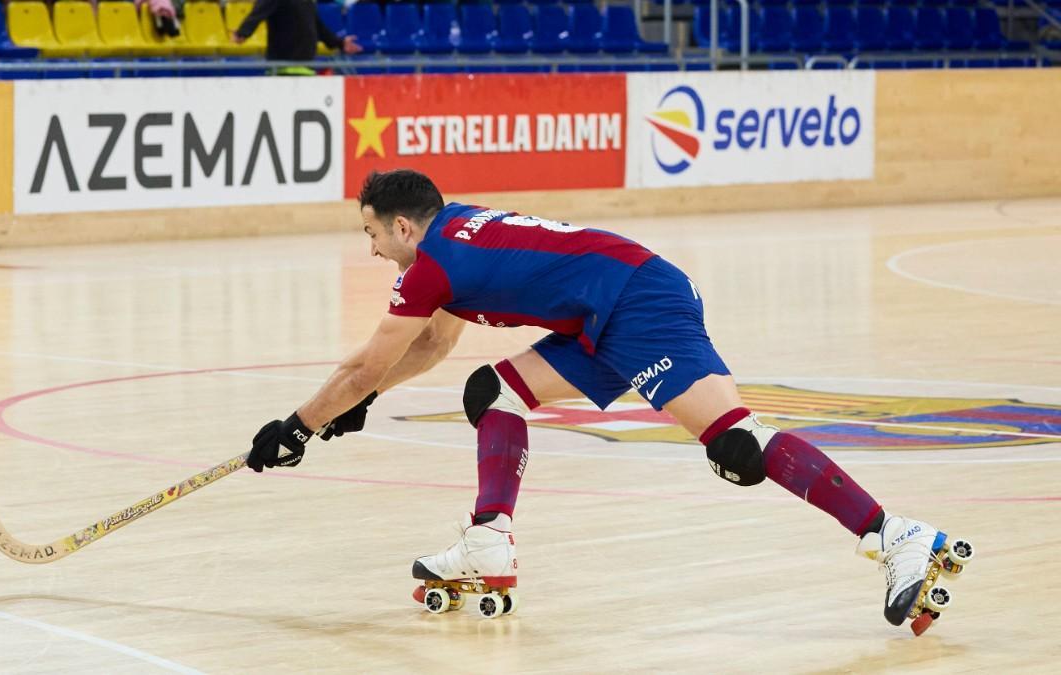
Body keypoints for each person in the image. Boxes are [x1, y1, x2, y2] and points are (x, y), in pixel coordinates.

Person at [246, 169, 971, 630]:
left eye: (371, 234)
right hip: (598, 313)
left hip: (637, 301)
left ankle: (894, 531)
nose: (371, 249)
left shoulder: (429, 264)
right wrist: (361, 402)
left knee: (735, 445)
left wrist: (298, 426)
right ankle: (488, 537)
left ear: (401, 225)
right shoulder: (453, 233)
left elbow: (369, 358)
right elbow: (429, 348)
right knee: (491, 390)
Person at [231, 0, 362, 75]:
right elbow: (260, 9)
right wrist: (244, 31)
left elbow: (316, 25)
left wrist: (339, 43)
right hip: (283, 68)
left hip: (306, 66)